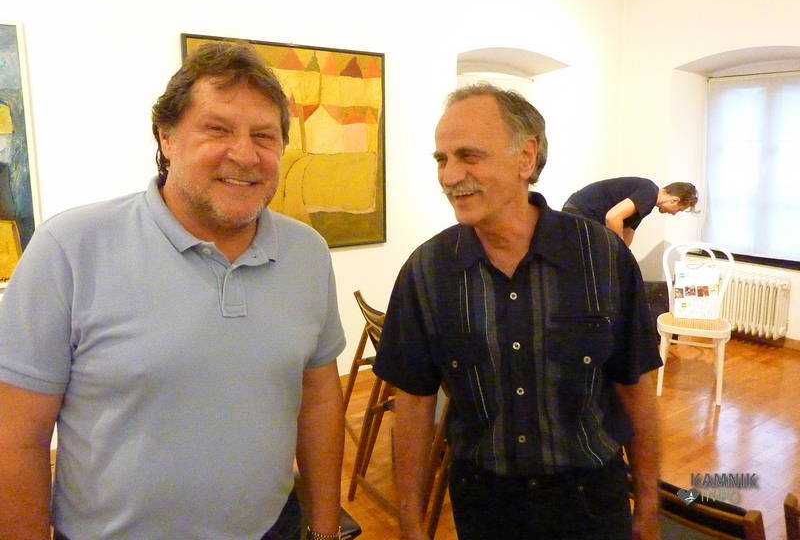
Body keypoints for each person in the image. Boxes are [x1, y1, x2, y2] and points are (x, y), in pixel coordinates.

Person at [0, 42, 346, 540]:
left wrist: (325, 528)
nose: (244, 154)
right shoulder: (71, 247)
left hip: (271, 528)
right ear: (166, 137)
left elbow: (318, 397)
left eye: (264, 135)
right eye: (217, 129)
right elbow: (16, 439)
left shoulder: (307, 253)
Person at [373, 84, 663, 540]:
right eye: (442, 159)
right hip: (485, 507)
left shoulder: (601, 257)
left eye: (469, 156)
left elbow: (636, 386)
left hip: (590, 503)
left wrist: (648, 507)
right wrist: (410, 524)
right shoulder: (428, 271)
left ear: (526, 157)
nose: (450, 176)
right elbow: (413, 403)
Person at [562, 177, 698, 246]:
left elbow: (627, 232)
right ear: (674, 200)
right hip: (580, 214)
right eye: (679, 210)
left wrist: (624, 256)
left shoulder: (646, 201)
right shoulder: (650, 192)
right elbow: (612, 217)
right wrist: (617, 250)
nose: (674, 214)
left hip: (578, 213)